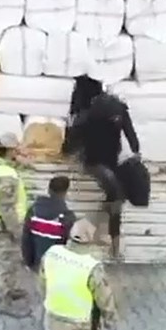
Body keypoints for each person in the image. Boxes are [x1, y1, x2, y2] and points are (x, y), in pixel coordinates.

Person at [62, 89, 141, 260]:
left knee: (117, 198)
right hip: (94, 163)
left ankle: (102, 231)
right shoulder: (90, 118)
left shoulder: (111, 113)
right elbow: (70, 144)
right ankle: (113, 244)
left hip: (107, 161)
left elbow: (131, 135)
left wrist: (135, 152)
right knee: (116, 195)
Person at [39, 219, 117, 330]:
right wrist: (110, 319)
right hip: (80, 325)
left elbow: (43, 283)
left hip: (53, 319)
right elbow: (104, 298)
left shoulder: (51, 253)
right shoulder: (92, 266)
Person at [22, 176, 77, 330]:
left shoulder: (34, 211)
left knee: (43, 302)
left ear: (49, 189)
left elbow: (26, 238)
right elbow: (71, 247)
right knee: (60, 305)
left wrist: (29, 262)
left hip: (40, 266)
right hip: (59, 268)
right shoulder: (67, 218)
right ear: (65, 192)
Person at [0, 132, 33, 318]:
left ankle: (11, 289)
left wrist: (23, 162)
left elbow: (11, 166)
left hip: (0, 222)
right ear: (10, 149)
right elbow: (7, 209)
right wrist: (17, 232)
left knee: (10, 260)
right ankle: (5, 300)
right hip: (6, 227)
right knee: (8, 261)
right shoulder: (6, 178)